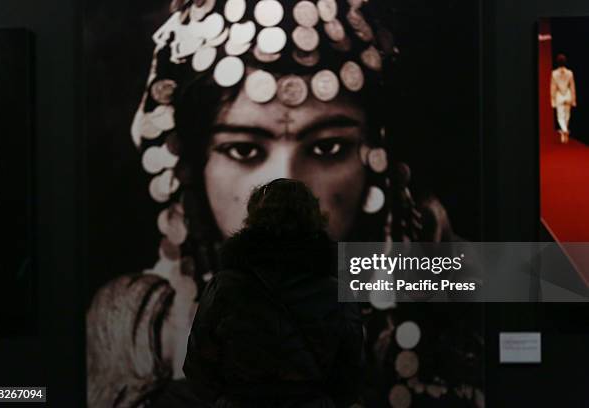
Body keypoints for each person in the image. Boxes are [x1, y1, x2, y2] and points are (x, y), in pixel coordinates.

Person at [87, 0, 485, 406]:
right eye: (243, 150)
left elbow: (550, 278)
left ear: (375, 157)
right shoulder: (141, 323)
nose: (286, 187)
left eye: (328, 148)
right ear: (194, 165)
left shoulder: (442, 274)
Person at [181, 178, 364, 407]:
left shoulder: (225, 287)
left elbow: (198, 370)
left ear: (254, 220)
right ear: (313, 220)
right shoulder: (335, 292)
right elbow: (351, 377)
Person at [551, 53, 577, 143]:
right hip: (568, 94)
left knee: (560, 117)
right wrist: (574, 99)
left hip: (559, 96)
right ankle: (564, 136)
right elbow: (572, 87)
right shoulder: (570, 73)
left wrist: (552, 99)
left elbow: (553, 87)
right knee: (567, 115)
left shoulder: (554, 73)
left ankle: (564, 131)